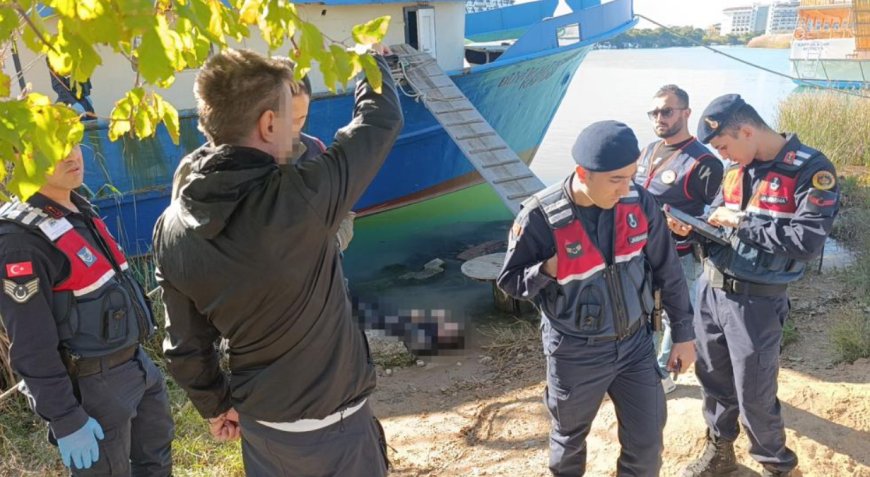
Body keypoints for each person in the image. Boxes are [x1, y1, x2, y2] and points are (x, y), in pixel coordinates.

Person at [152, 46, 403, 476]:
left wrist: (215, 404)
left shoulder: (170, 228)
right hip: (337, 432)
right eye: (294, 121)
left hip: (264, 433)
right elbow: (381, 120)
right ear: (269, 124)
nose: (300, 136)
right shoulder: (300, 196)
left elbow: (186, 346)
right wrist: (369, 61)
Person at [497, 120, 696, 476]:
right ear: (582, 173)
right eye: (615, 180)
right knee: (569, 440)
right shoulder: (540, 217)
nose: (626, 188)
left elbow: (669, 270)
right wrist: (546, 269)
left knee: (647, 441)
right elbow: (510, 282)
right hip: (576, 351)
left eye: (631, 176)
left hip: (635, 344)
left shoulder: (639, 202)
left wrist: (683, 333)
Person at [680, 94, 839, 477]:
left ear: (747, 131)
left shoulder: (811, 170)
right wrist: (697, 227)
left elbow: (806, 242)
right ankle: (720, 453)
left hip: (756, 303)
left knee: (754, 393)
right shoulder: (736, 167)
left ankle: (777, 466)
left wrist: (740, 222)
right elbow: (720, 217)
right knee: (713, 381)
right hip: (712, 290)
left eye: (724, 146)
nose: (724, 156)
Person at [0, 145, 173, 475]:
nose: (70, 155)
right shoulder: (19, 238)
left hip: (138, 369)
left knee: (156, 464)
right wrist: (65, 418)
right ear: (23, 156)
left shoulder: (78, 210)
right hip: (93, 389)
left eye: (73, 142)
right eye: (54, 147)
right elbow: (31, 344)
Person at [636, 84, 723, 394]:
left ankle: (664, 373)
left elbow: (717, 216)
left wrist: (692, 227)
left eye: (667, 111)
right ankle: (645, 366)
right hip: (641, 252)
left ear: (686, 113)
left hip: (680, 256)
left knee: (678, 315)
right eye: (655, 112)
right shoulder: (649, 150)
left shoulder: (704, 162)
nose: (659, 117)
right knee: (645, 310)